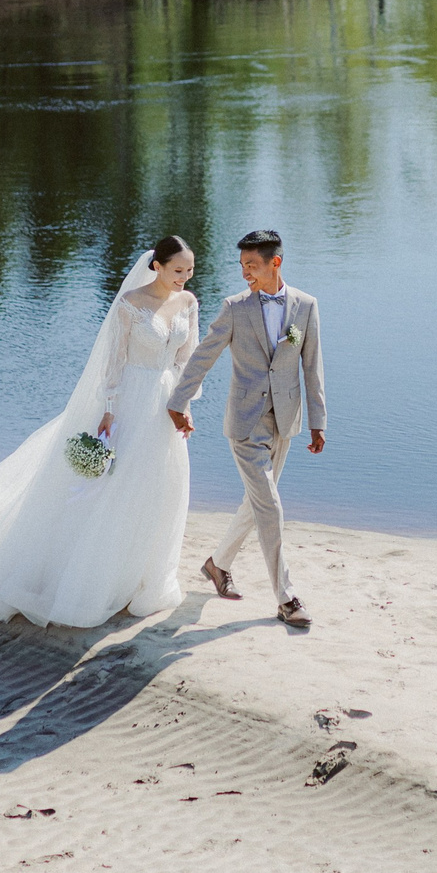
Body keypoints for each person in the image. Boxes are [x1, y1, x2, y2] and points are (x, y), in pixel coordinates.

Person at [0, 237, 199, 628]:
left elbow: (189, 358)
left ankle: (146, 579)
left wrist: (183, 403)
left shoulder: (188, 303)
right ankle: (99, 579)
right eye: (178, 270)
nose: (184, 279)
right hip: (133, 403)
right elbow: (113, 363)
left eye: (190, 271)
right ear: (157, 265)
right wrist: (108, 410)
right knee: (117, 488)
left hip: (166, 403)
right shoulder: (131, 305)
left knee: (161, 487)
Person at [167, 229, 328, 628]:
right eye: (241, 266)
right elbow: (203, 356)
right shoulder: (235, 308)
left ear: (276, 263)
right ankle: (286, 598)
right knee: (270, 506)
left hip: (285, 421)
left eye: (252, 266)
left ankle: (217, 565)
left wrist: (318, 422)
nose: (245, 274)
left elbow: (312, 367)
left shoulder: (306, 307)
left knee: (255, 505)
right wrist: (178, 402)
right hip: (245, 425)